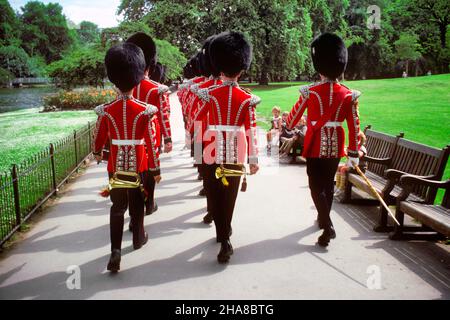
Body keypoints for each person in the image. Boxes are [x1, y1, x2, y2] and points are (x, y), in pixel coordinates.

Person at [189, 31, 260, 263]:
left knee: (215, 194)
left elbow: (196, 123)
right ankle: (226, 235)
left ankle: (223, 236)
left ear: (219, 67)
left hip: (210, 148)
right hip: (236, 150)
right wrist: (253, 158)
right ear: (242, 69)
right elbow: (251, 128)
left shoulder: (209, 94)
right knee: (229, 196)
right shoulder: (247, 98)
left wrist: (198, 153)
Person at [285, 32, 361, 247]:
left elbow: (293, 118)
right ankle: (323, 219)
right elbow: (354, 125)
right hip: (336, 145)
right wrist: (353, 153)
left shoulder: (311, 92)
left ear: (319, 66)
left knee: (314, 185)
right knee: (327, 185)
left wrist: (288, 126)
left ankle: (327, 225)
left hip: (315, 143)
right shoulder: (348, 94)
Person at [92, 42, 161, 272]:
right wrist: (155, 167)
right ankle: (138, 238)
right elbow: (150, 141)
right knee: (137, 203)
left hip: (115, 164)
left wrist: (97, 152)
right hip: (139, 162)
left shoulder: (106, 109)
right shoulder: (145, 109)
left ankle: (115, 252)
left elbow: (99, 138)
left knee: (117, 206)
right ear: (137, 76)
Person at [127, 32, 170, 219]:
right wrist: (167, 138)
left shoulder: (125, 87)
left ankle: (136, 212)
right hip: (153, 137)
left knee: (134, 172)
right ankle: (150, 202)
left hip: (130, 137)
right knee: (151, 170)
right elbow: (163, 116)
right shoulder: (157, 88)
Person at [335, 131, 367, 198]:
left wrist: (351, 152)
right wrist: (345, 151)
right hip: (351, 166)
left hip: (359, 168)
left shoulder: (361, 148)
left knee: (343, 169)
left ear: (361, 140)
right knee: (339, 167)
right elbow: (349, 157)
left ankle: (341, 188)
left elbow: (358, 155)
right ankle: (337, 186)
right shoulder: (352, 147)